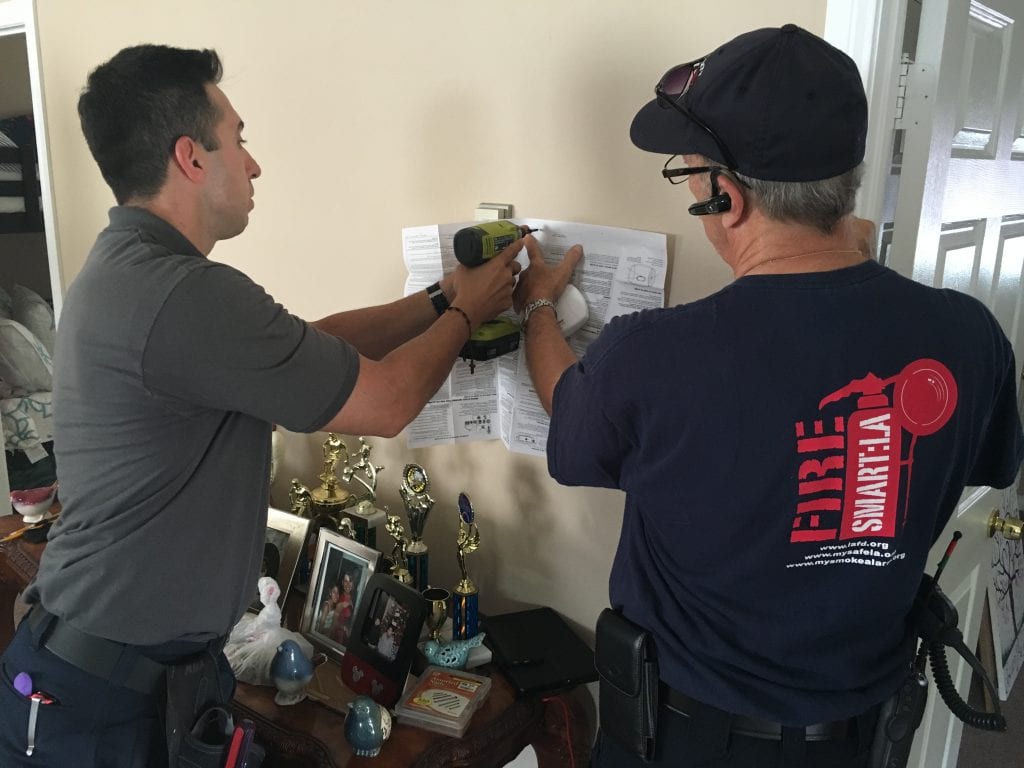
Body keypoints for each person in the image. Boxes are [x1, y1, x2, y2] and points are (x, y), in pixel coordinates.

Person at [513, 24, 1024, 768]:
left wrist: (537, 306)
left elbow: (569, 415)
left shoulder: (652, 354)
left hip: (685, 742)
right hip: (862, 740)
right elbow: (977, 462)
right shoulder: (969, 335)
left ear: (727, 196)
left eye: (691, 176)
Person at [0, 44, 521, 767]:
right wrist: (468, 314)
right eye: (238, 139)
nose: (253, 165)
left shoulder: (129, 269)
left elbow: (310, 348)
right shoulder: (185, 293)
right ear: (191, 158)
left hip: (122, 672)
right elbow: (388, 402)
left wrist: (440, 298)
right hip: (105, 704)